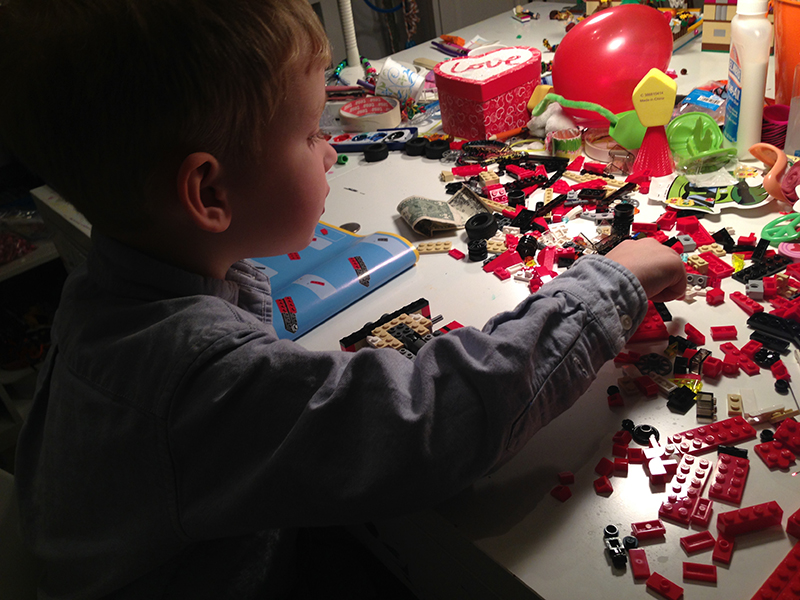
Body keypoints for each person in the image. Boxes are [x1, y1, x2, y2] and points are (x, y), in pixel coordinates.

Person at [0, 0, 687, 598]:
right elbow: (431, 423)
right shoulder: (194, 376)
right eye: (308, 134)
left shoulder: (105, 291)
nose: (331, 151)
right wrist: (610, 282)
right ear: (208, 194)